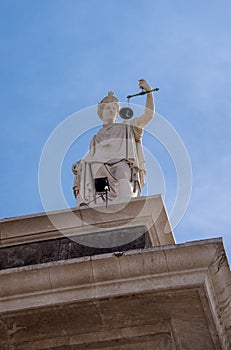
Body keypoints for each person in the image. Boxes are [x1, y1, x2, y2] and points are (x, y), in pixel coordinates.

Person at [72, 79, 154, 207]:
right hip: (100, 165)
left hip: (121, 162)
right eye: (107, 108)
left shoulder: (126, 127)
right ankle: (100, 205)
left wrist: (149, 92)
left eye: (113, 108)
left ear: (117, 113)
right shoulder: (96, 137)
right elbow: (92, 157)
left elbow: (148, 115)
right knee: (95, 170)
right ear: (101, 112)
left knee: (122, 171)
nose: (110, 110)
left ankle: (127, 205)